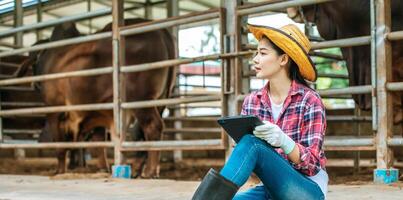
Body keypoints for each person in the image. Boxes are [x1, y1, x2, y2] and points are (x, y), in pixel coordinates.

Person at [191, 24, 328, 200]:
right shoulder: (252, 101)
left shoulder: (309, 100)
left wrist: (286, 143)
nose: (255, 59)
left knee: (252, 144)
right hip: (270, 190)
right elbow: (247, 161)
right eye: (256, 53)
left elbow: (313, 165)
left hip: (306, 191)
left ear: (283, 59)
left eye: (262, 53)